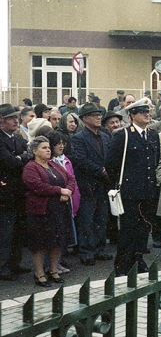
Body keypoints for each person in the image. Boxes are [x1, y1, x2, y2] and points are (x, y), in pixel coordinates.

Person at [106, 98, 160, 276]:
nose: (147, 114)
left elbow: (154, 160)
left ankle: (138, 260)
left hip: (148, 190)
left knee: (144, 229)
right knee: (128, 229)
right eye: (142, 112)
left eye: (148, 111)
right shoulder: (123, 135)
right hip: (130, 191)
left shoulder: (152, 135)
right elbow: (111, 163)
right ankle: (122, 265)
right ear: (132, 116)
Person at [22, 136, 76, 287]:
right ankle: (39, 274)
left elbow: (70, 178)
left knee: (57, 240)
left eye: (48, 147)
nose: (48, 150)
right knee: (39, 243)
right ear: (34, 151)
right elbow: (36, 186)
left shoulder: (53, 164)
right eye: (44, 148)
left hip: (59, 208)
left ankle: (53, 270)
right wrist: (60, 190)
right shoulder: (31, 167)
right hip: (41, 210)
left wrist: (68, 192)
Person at [71, 103, 113, 266]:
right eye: (94, 115)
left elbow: (110, 157)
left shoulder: (105, 136)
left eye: (99, 114)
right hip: (88, 184)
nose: (98, 117)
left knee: (102, 218)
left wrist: (108, 170)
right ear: (85, 118)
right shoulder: (78, 138)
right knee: (87, 219)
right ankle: (87, 251)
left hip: (103, 184)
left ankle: (99, 249)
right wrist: (101, 171)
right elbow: (80, 161)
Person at [0, 104, 32, 281]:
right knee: (5, 231)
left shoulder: (18, 138)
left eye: (16, 117)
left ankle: (14, 263)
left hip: (19, 192)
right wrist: (21, 157)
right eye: (11, 118)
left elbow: (28, 155)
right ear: (1, 120)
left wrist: (21, 157)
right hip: (5, 194)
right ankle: (3, 266)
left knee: (18, 230)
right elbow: (10, 162)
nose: (15, 120)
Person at [47, 130, 80, 273]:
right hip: (56, 202)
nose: (61, 147)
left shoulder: (66, 160)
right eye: (57, 144)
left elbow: (71, 178)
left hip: (69, 200)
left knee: (63, 235)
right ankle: (51, 265)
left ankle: (58, 262)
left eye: (63, 143)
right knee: (54, 236)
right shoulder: (49, 162)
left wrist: (71, 192)